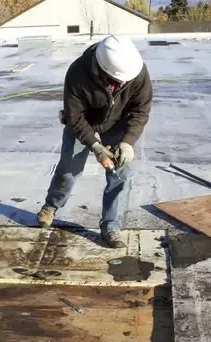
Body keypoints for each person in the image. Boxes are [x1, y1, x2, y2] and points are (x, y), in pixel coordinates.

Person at [37, 35, 152, 249]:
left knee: (121, 173)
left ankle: (111, 227)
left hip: (117, 123)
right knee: (69, 171)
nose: (123, 83)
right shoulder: (78, 73)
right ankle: (50, 207)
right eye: (119, 80)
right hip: (83, 123)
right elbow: (75, 117)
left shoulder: (135, 70)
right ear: (103, 69)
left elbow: (141, 110)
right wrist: (96, 146)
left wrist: (128, 141)